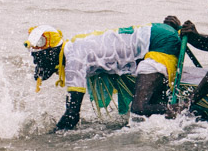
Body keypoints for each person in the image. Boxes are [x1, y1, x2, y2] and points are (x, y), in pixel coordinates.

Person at [28, 20, 185, 129]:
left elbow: (72, 115)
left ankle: (184, 109)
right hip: (157, 33)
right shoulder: (74, 46)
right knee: (146, 105)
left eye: (38, 57)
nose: (36, 62)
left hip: (160, 42)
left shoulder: (74, 62)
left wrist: (51, 140)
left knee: (139, 108)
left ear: (50, 53)